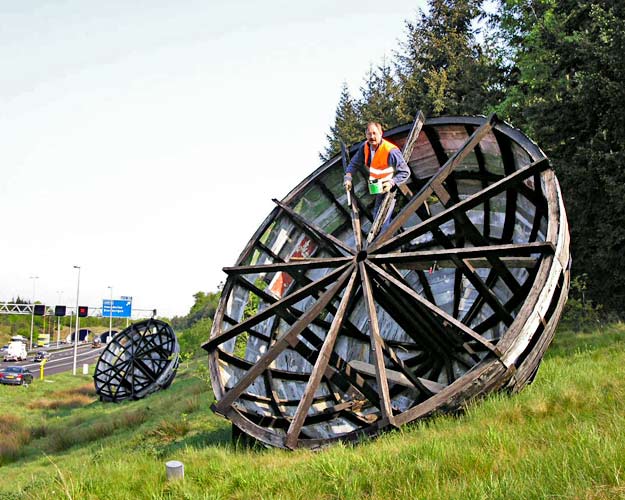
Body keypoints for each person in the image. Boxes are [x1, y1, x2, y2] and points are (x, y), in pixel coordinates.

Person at [343, 122, 410, 231]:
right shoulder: (364, 147)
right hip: (376, 186)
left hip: (389, 187)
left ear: (381, 133)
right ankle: (392, 242)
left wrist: (391, 183)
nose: (372, 137)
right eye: (369, 134)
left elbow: (405, 172)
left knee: (383, 221)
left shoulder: (391, 150)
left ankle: (389, 245)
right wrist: (348, 178)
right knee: (377, 219)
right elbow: (354, 164)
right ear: (366, 135)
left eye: (375, 133)